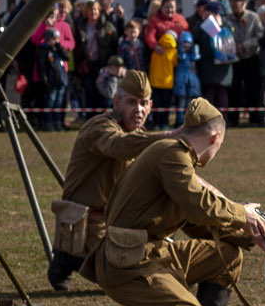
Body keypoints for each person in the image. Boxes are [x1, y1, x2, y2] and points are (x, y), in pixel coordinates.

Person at [75, 97, 265, 306]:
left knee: (227, 255)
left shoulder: (176, 158)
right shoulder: (172, 155)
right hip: (128, 264)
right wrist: (243, 213)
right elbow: (199, 205)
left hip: (149, 254)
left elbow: (195, 221)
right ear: (215, 137)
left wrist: (250, 237)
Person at [47, 68, 173, 291]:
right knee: (127, 279)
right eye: (132, 102)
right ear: (116, 102)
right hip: (90, 224)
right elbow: (119, 145)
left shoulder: (138, 134)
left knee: (164, 265)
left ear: (151, 106)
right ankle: (70, 256)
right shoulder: (100, 127)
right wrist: (168, 137)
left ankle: (74, 257)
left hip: (119, 221)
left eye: (144, 103)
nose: (139, 109)